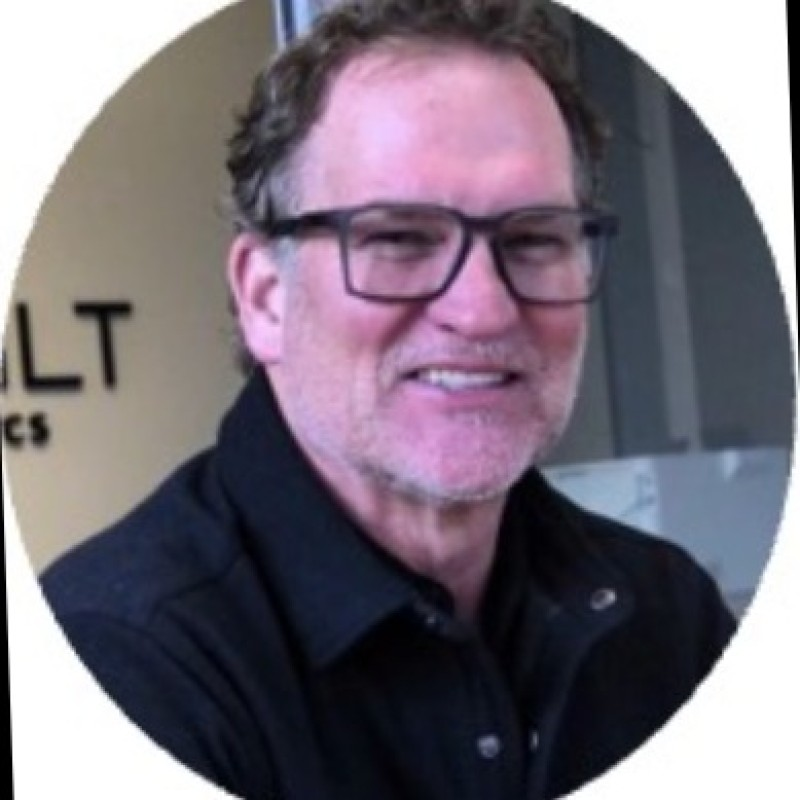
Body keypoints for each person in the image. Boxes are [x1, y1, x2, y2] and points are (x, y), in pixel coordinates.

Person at [41, 1, 736, 798]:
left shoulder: (668, 617)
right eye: (399, 238)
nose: (482, 310)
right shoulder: (118, 667)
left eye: (533, 238)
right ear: (265, 297)